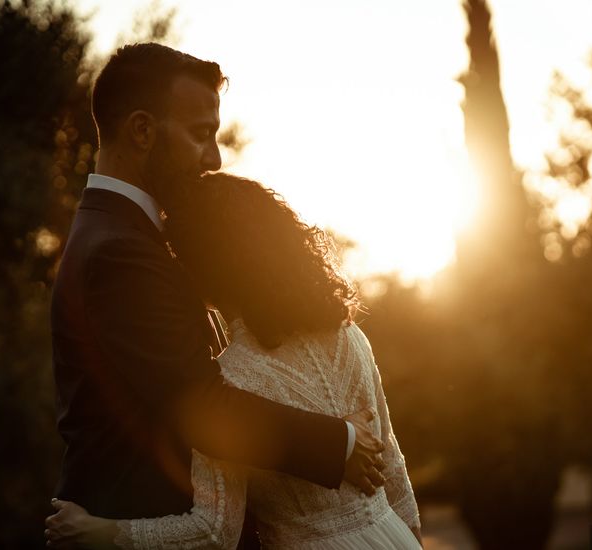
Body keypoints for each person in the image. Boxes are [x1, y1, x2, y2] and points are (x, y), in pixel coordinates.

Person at [48, 43, 385, 546]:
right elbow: (201, 406)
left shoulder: (117, 232)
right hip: (136, 518)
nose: (214, 157)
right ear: (141, 130)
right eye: (201, 134)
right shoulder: (120, 251)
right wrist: (340, 440)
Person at [47, 173, 422, 549]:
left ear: (199, 268)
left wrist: (102, 532)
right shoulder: (349, 335)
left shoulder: (231, 381)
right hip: (393, 537)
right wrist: (410, 538)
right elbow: (394, 472)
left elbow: (215, 533)